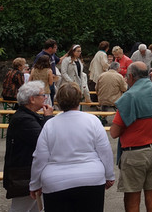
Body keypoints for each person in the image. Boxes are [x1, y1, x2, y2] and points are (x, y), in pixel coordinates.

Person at [30, 83, 115, 211]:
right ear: (79, 99)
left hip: (56, 181)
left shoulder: (50, 125)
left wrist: (35, 183)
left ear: (58, 101)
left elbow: (40, 157)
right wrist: (109, 175)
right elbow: (105, 150)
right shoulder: (93, 121)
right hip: (91, 178)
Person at [110, 62, 152, 212]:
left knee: (132, 201)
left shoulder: (129, 97)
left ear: (130, 76)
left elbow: (114, 132)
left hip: (135, 153)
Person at [3, 81, 54, 212]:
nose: (45, 97)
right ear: (32, 99)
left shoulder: (28, 115)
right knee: (21, 208)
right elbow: (44, 140)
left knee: (35, 208)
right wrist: (48, 118)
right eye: (42, 95)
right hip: (23, 175)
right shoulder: (23, 119)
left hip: (28, 173)